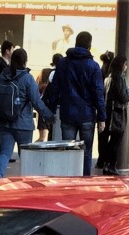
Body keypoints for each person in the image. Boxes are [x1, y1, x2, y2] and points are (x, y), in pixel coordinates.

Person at [43, 31, 106, 176]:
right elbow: (98, 92)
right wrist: (102, 117)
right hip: (87, 115)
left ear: (76, 43)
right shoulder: (93, 66)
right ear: (89, 45)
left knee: (68, 152)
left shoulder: (63, 64)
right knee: (86, 152)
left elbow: (55, 88)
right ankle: (83, 182)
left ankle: (68, 179)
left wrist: (51, 110)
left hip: (67, 114)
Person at [0, 47, 50, 178]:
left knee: (5, 153)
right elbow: (36, 101)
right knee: (25, 156)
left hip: (4, 122)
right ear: (25, 61)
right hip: (23, 124)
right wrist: (48, 115)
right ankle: (26, 181)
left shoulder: (3, 76)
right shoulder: (28, 78)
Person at [98, 54, 129, 175]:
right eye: (125, 64)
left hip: (108, 113)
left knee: (109, 141)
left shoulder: (108, 77)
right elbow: (123, 97)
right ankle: (111, 165)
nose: (126, 67)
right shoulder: (120, 78)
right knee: (115, 142)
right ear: (122, 66)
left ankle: (105, 163)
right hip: (117, 115)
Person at [35, 67, 54, 141]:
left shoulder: (40, 86)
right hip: (50, 111)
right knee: (48, 137)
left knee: (42, 138)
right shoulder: (48, 87)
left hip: (42, 112)